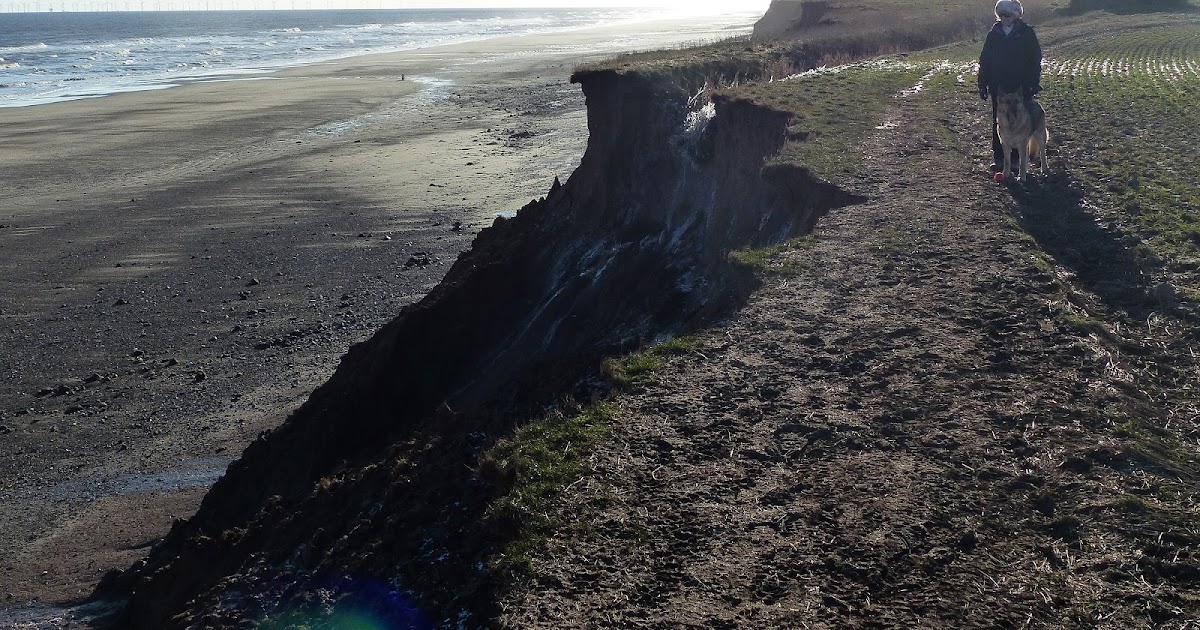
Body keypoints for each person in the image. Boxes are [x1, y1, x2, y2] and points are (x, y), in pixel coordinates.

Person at [977, 0, 1043, 173]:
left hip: (1021, 86)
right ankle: (1000, 159)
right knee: (999, 122)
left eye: (1008, 14)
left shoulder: (1026, 33)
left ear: (1015, 15)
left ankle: (1017, 161)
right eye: (1001, 14)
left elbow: (1035, 60)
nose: (1004, 18)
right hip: (998, 86)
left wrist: (1033, 83)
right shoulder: (994, 34)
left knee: (1021, 121)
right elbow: (985, 60)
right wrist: (982, 83)